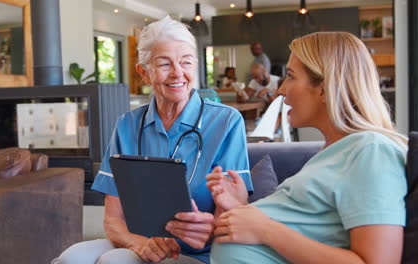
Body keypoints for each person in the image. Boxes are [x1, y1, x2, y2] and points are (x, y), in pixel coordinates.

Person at [51, 16, 253, 264]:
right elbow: (112, 221)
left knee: (114, 261)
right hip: (137, 240)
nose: (178, 73)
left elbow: (229, 221)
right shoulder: (127, 125)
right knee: (71, 259)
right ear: (143, 73)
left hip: (197, 251)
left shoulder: (226, 122)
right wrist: (141, 244)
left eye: (186, 62)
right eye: (164, 64)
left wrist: (200, 231)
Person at [207, 31, 408, 263]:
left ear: (324, 88)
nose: (281, 90)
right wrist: (241, 208)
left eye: (291, 77)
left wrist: (266, 230)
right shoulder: (333, 153)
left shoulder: (371, 150)